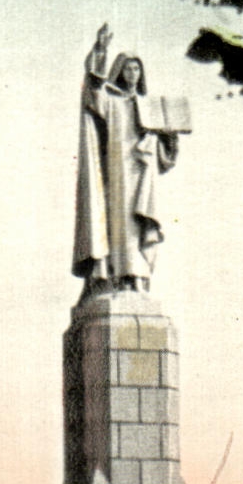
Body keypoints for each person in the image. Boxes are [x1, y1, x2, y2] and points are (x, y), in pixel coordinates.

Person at [72, 24, 181, 295]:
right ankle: (118, 275)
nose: (133, 74)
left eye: (137, 69)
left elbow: (166, 155)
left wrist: (169, 137)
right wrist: (100, 50)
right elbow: (93, 90)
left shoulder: (149, 105)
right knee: (118, 222)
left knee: (139, 224)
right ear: (120, 71)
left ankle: (138, 277)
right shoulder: (112, 100)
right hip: (118, 169)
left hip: (142, 171)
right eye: (128, 68)